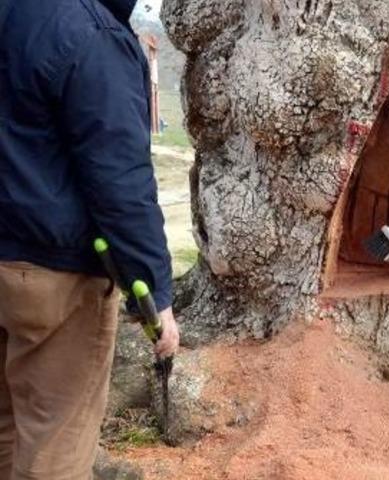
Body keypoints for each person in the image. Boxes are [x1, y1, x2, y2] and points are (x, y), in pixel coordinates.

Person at [0, 0, 179, 477]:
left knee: (5, 432)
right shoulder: (92, 35)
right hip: (56, 278)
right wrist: (155, 294)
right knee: (54, 446)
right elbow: (121, 182)